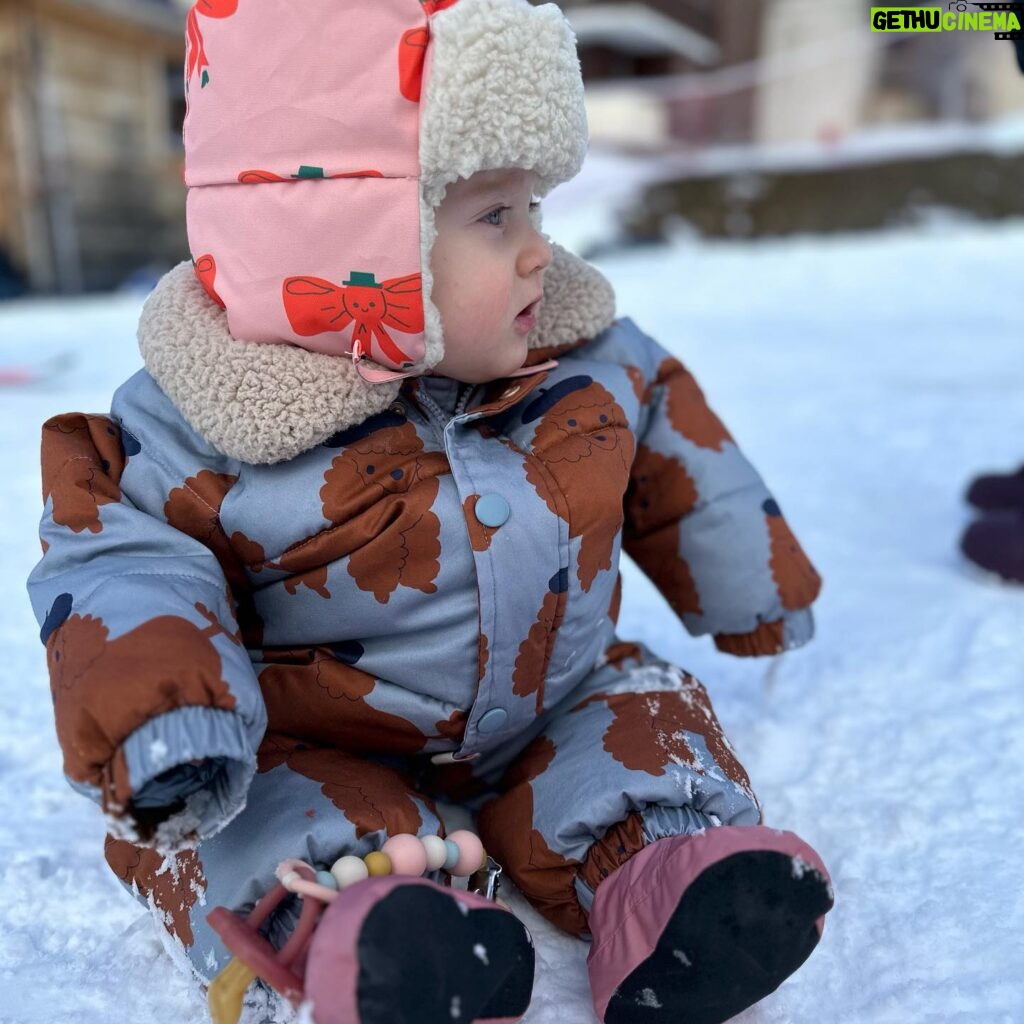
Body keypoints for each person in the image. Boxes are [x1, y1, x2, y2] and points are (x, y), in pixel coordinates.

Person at [27, 2, 833, 1022]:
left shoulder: (590, 359)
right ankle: (364, 940)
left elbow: (676, 442)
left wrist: (747, 580)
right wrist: (170, 727)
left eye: (536, 207)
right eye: (495, 217)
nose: (539, 248)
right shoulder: (198, 423)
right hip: (316, 740)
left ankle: (667, 886)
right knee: (266, 827)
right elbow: (122, 560)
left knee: (640, 727)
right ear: (351, 238)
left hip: (555, 689)